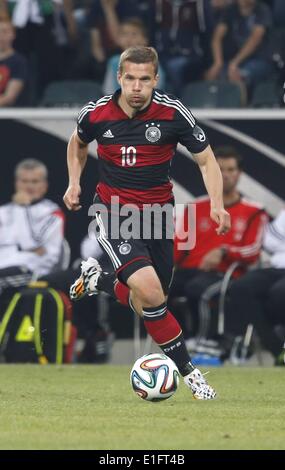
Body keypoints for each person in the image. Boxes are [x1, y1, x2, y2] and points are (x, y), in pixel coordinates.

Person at [63, 46, 231, 400]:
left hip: (158, 218)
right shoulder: (96, 114)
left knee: (152, 303)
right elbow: (77, 144)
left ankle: (101, 281)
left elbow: (206, 160)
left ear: (156, 80)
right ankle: (191, 375)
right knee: (152, 294)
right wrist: (74, 182)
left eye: (144, 80)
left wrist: (216, 204)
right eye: (130, 79)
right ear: (119, 77)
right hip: (114, 213)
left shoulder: (172, 114)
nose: (137, 87)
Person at [171, 146, 268, 341]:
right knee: (156, 290)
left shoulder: (254, 211)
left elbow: (253, 251)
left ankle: (201, 342)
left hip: (227, 274)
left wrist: (224, 251)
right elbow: (177, 245)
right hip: (190, 271)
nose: (225, 175)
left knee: (196, 289)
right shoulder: (194, 207)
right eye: (220, 169)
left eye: (231, 170)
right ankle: (182, 341)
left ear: (239, 174)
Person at [225, 209, 285, 365]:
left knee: (279, 293)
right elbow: (269, 241)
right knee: (241, 287)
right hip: (277, 267)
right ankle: (278, 351)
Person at [0, 158, 65, 286]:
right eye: (24, 181)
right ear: (16, 184)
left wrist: (23, 207)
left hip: (36, 271)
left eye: (34, 181)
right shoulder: (3, 211)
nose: (29, 186)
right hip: (5, 265)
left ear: (44, 185)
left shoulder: (52, 213)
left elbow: (30, 244)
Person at [0, 18, 28, 106]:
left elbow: (9, 98)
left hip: (9, 115)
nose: (0, 36)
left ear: (13, 34)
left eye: (4, 32)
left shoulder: (19, 62)